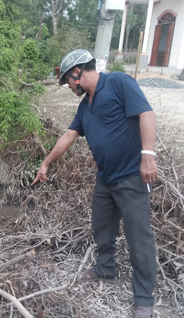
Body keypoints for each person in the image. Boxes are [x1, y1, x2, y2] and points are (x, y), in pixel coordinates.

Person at [31, 49, 158, 318]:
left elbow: (146, 113)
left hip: (132, 177)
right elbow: (69, 134)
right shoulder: (84, 106)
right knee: (101, 226)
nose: (67, 86)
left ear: (77, 73)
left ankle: (145, 298)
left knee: (140, 238)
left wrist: (148, 156)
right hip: (106, 179)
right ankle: (106, 268)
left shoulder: (119, 83)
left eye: (66, 80)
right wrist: (46, 163)